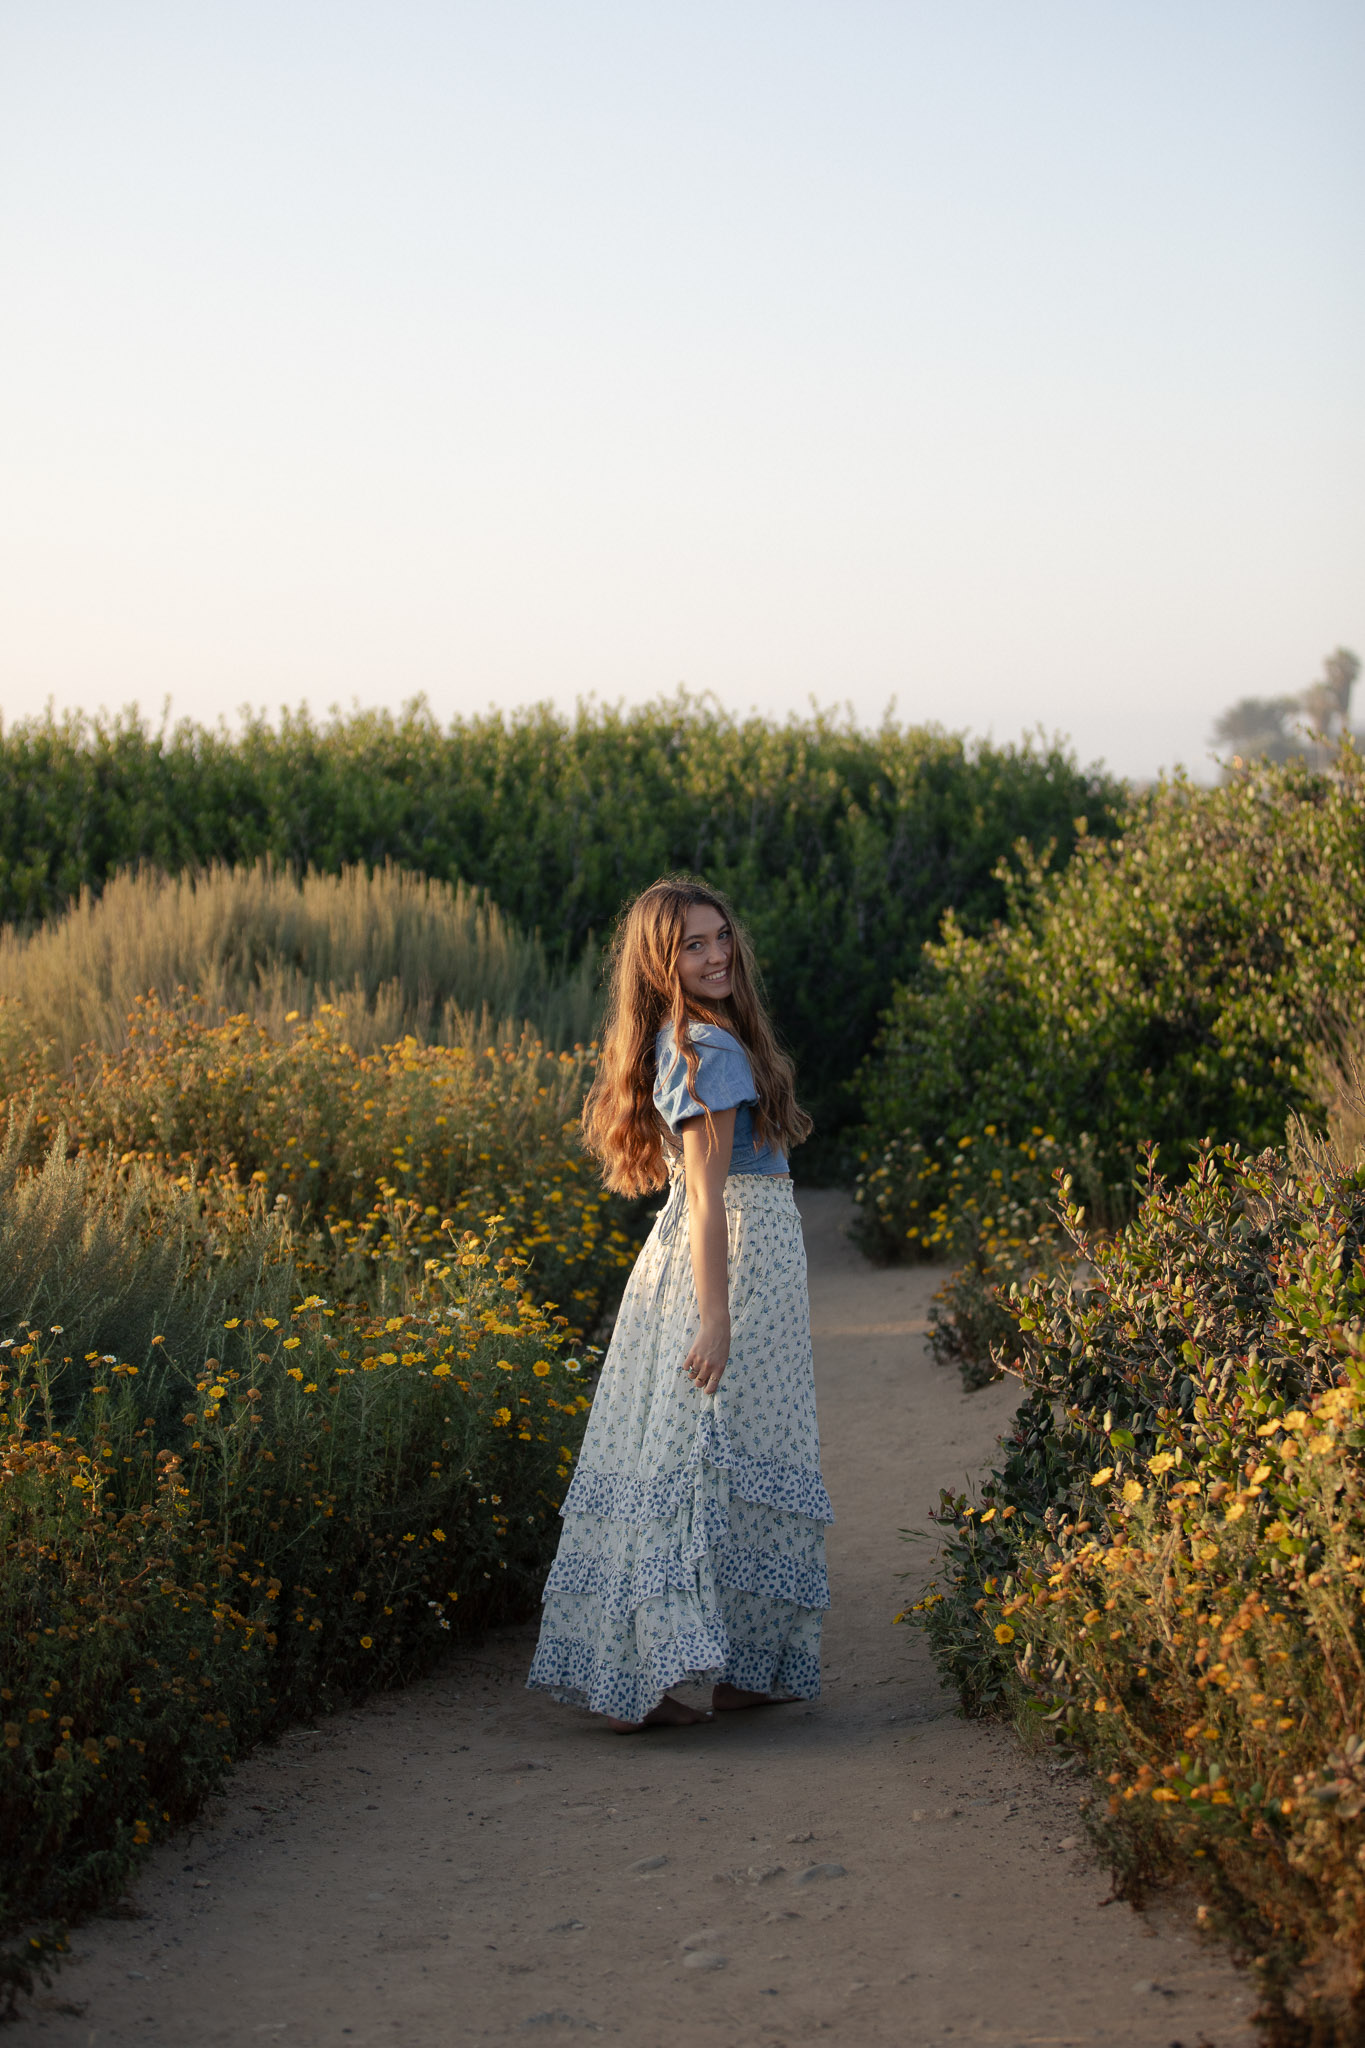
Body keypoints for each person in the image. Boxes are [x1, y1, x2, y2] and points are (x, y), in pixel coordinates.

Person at [526, 876, 832, 1731]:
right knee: (705, 1452)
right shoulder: (709, 1050)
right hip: (732, 1261)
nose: (715, 953)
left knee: (710, 1450)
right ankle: (650, 1681)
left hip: (718, 1260)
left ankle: (730, 1671)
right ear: (661, 964)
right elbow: (707, 1196)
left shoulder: (694, 1039)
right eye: (692, 945)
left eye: (720, 935)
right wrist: (719, 1316)